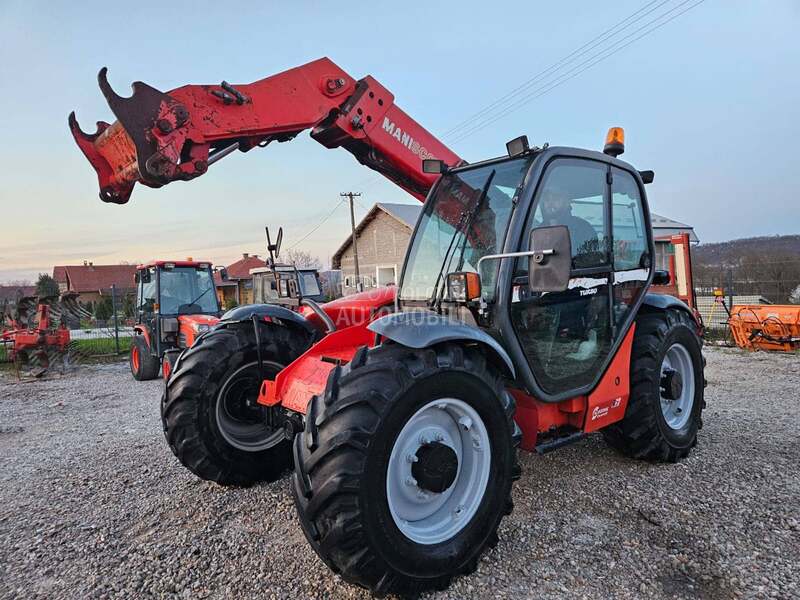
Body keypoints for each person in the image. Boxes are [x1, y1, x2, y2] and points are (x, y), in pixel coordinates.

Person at [536, 187, 599, 263]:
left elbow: (590, 263)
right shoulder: (538, 229)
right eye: (547, 199)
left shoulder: (583, 228)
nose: (550, 203)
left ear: (567, 201)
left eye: (555, 198)